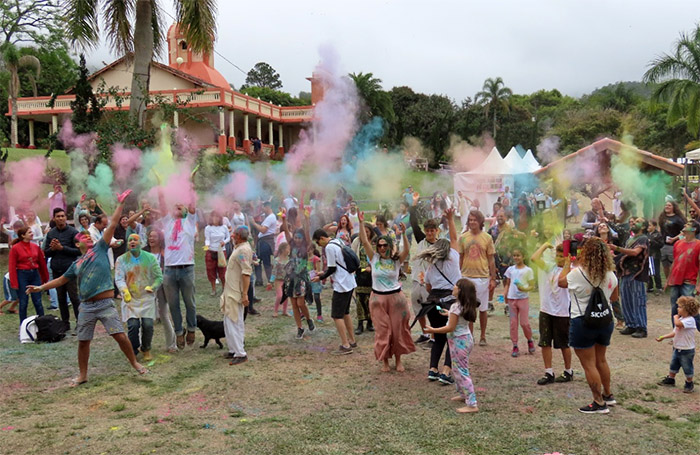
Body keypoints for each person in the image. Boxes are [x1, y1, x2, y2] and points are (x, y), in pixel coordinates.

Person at [27, 191, 147, 386]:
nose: (89, 239)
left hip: (106, 303)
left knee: (120, 336)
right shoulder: (77, 264)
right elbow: (59, 281)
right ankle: (83, 375)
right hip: (87, 307)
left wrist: (120, 203)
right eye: (84, 238)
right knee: (83, 341)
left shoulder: (100, 248)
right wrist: (40, 287)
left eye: (89, 238)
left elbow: (114, 223)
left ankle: (134, 363)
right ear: (78, 243)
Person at [559, 237, 618, 414]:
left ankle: (598, 402)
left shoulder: (577, 273)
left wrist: (567, 264)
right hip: (605, 320)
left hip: (583, 321)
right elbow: (614, 298)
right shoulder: (611, 275)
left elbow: (561, 282)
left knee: (589, 364)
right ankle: (608, 394)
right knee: (601, 360)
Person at [357, 212, 415, 372]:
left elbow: (407, 249)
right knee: (383, 331)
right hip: (378, 299)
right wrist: (361, 223)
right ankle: (384, 361)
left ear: (389, 246)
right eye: (380, 245)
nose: (382, 248)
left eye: (385, 245)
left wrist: (403, 234)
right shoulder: (374, 258)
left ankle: (398, 360)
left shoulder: (396, 261)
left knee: (397, 330)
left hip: (396, 299)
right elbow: (364, 240)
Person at [415, 208, 463, 385]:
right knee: (453, 334)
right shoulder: (454, 256)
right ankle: (446, 371)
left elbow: (428, 286)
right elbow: (455, 237)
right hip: (450, 302)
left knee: (438, 336)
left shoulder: (431, 264)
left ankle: (433, 369)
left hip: (432, 303)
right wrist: (450, 219)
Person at [423, 278, 479, 413]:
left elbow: (450, 327)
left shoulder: (456, 306)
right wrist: (449, 314)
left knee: (462, 371)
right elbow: (458, 319)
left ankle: (472, 404)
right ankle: (463, 394)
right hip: (464, 340)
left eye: (456, 286)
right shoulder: (464, 305)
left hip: (459, 341)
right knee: (457, 368)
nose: (453, 287)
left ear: (460, 291)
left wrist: (433, 331)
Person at [158, 190, 197, 350]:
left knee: (190, 302)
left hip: (187, 268)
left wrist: (191, 186)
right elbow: (162, 206)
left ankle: (192, 329)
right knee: (173, 304)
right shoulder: (167, 222)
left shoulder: (190, 222)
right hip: (169, 270)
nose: (178, 207)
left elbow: (193, 206)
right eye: (176, 206)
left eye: (181, 206)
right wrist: (161, 189)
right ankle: (179, 331)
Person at [115, 233, 163, 362]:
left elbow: (159, 276)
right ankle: (133, 349)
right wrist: (124, 291)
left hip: (146, 297)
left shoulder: (150, 258)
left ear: (140, 243)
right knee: (133, 325)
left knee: (148, 324)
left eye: (135, 240)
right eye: (130, 240)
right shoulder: (121, 260)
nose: (132, 242)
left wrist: (153, 287)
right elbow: (119, 278)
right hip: (131, 298)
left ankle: (146, 348)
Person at [531, 242, 573, 385]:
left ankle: (568, 370)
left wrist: (568, 263)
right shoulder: (550, 267)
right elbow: (534, 258)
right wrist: (544, 246)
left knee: (563, 343)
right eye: (557, 255)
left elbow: (563, 281)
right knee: (545, 342)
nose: (558, 258)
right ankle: (548, 371)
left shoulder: (571, 270)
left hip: (562, 311)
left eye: (562, 256)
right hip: (546, 309)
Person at [311, 229, 357, 355]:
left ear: (321, 238)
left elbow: (332, 268)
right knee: (345, 312)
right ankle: (352, 340)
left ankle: (345, 345)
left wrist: (320, 277)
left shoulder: (329, 247)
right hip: (349, 281)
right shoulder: (338, 241)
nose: (319, 246)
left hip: (341, 285)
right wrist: (323, 273)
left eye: (318, 243)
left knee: (337, 315)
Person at [457, 210, 497, 346]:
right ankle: (470, 335)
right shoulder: (463, 238)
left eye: (474, 219)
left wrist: (492, 278)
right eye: (470, 219)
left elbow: (491, 260)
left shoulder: (487, 238)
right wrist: (458, 275)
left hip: (482, 277)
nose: (472, 222)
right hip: (467, 276)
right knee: (468, 308)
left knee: (483, 309)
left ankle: (483, 335)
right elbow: (460, 257)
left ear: (480, 222)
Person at [44, 208, 81, 331]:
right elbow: (46, 253)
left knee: (74, 297)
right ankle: (65, 323)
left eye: (62, 216)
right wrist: (53, 249)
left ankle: (79, 322)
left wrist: (62, 248)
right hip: (56, 270)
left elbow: (78, 251)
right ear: (54, 218)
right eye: (58, 216)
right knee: (61, 298)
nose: (60, 218)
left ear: (65, 217)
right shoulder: (51, 234)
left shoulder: (73, 232)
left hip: (69, 270)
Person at [408, 193, 439, 342]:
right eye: (427, 231)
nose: (429, 233)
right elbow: (414, 223)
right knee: (417, 308)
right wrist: (413, 204)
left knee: (431, 309)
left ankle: (434, 336)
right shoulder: (421, 240)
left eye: (432, 231)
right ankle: (425, 333)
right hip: (416, 279)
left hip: (430, 283)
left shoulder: (440, 246)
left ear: (436, 231)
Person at [612, 219, 649, 338]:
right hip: (625, 273)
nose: (633, 223)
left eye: (637, 221)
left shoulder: (643, 238)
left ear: (643, 226)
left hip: (636, 274)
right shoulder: (630, 239)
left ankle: (641, 327)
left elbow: (634, 252)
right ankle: (631, 324)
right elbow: (624, 254)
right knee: (626, 300)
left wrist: (617, 248)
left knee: (638, 300)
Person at [221, 226, 253, 365]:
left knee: (234, 321)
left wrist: (244, 294)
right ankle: (234, 349)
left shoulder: (242, 251)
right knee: (229, 321)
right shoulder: (239, 248)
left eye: (234, 234)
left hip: (235, 292)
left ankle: (240, 353)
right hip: (231, 290)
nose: (232, 236)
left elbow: (246, 272)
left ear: (239, 236)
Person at [281, 209, 315, 338]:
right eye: (295, 237)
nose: (297, 239)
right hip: (291, 278)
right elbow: (285, 231)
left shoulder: (305, 246)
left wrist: (306, 218)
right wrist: (284, 219)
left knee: (301, 303)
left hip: (301, 278)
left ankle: (308, 319)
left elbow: (307, 233)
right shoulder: (292, 245)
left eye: (299, 237)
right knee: (294, 304)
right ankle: (300, 328)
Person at [143, 228, 177, 353]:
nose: (151, 239)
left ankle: (171, 344)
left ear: (160, 239)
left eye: (154, 236)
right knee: (145, 315)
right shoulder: (144, 252)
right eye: (150, 236)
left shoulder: (165, 252)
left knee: (164, 314)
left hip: (163, 285)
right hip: (147, 287)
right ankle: (143, 345)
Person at [657, 296, 698, 393]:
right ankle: (671, 378)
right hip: (677, 347)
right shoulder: (682, 319)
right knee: (673, 364)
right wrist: (663, 337)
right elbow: (675, 332)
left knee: (687, 366)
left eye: (679, 307)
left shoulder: (690, 320)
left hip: (687, 350)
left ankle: (689, 382)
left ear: (687, 309)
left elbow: (678, 325)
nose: (677, 309)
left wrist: (675, 317)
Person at [9, 227, 49, 323]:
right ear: (23, 235)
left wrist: (44, 277)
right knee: (23, 302)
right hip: (22, 274)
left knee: (38, 302)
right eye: (29, 232)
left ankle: (42, 325)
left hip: (34, 274)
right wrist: (14, 282)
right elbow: (12, 266)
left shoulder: (35, 247)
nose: (32, 233)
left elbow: (42, 263)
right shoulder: (15, 248)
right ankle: (23, 326)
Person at [666, 223, 700, 330]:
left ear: (694, 229)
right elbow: (675, 262)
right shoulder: (678, 243)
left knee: (690, 308)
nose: (684, 226)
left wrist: (699, 285)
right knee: (675, 308)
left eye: (688, 225)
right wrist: (668, 280)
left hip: (689, 281)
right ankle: (676, 332)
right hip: (675, 280)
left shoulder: (698, 244)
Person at [503, 248, 536, 357]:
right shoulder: (510, 270)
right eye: (514, 255)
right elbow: (507, 282)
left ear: (524, 257)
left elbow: (532, 285)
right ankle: (515, 345)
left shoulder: (528, 270)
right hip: (512, 299)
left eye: (518, 255)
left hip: (523, 299)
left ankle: (529, 339)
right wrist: (505, 293)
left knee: (524, 323)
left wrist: (524, 289)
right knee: (513, 323)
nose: (516, 258)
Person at [352, 221, 375, 334]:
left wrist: (372, 267)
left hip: (372, 275)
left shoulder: (375, 243)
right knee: (360, 299)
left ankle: (370, 322)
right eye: (363, 232)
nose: (365, 234)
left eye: (367, 231)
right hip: (360, 274)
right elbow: (352, 255)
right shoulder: (357, 242)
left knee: (370, 299)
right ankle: (360, 323)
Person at [249, 201, 276, 286]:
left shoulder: (271, 217)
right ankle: (259, 280)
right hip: (263, 241)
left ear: (267, 207)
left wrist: (253, 223)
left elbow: (263, 230)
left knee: (266, 262)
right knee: (258, 260)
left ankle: (269, 281)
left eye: (263, 208)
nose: (263, 210)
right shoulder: (268, 217)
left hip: (265, 242)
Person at [204, 211, 230, 296]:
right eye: (213, 217)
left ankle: (224, 287)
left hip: (221, 251)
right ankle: (213, 289)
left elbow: (228, 237)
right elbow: (207, 239)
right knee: (211, 270)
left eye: (217, 217)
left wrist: (224, 242)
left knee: (222, 271)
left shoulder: (224, 227)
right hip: (211, 251)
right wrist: (207, 246)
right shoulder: (208, 228)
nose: (215, 219)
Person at [659, 200, 686, 281]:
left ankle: (674, 281)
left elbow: (684, 232)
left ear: (673, 207)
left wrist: (674, 239)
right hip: (663, 245)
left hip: (674, 245)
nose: (667, 206)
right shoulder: (662, 217)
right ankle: (668, 281)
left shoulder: (678, 219)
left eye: (669, 205)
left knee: (673, 265)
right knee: (665, 265)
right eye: (666, 205)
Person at [271, 242, 290, 317]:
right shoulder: (277, 260)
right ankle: (275, 310)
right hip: (278, 281)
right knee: (279, 296)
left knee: (285, 296)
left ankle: (284, 311)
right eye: (288, 248)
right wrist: (271, 281)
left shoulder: (289, 260)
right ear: (283, 250)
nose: (289, 250)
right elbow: (273, 272)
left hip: (287, 280)